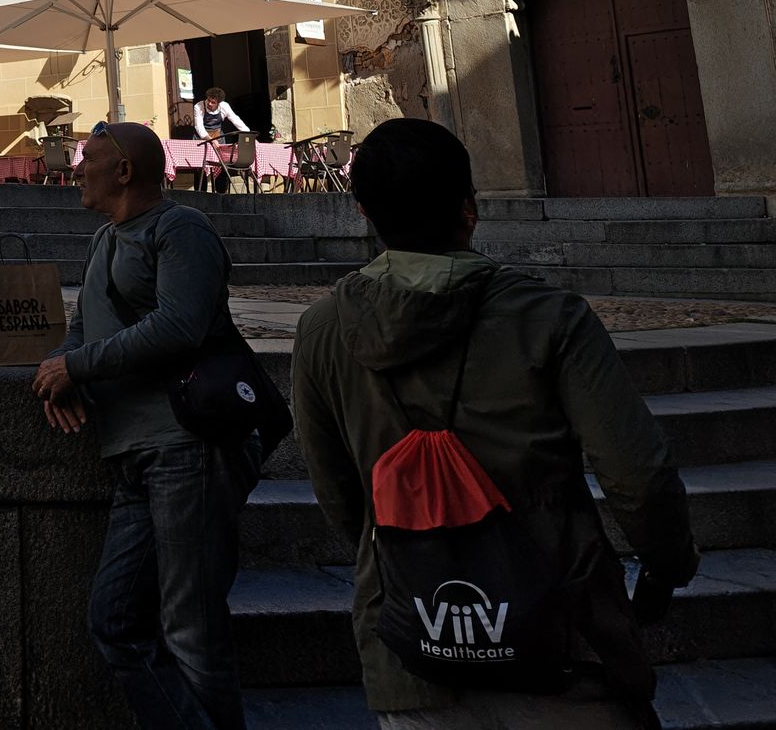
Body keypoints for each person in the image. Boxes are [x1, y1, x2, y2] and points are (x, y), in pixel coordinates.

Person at [291, 119, 700, 730]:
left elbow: (336, 490)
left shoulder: (321, 330)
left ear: (362, 213)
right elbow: (636, 473)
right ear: (470, 209)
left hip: (413, 642)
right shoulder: (549, 318)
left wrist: (418, 552)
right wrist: (667, 565)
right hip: (561, 629)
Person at [30, 122, 260, 730]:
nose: (77, 169)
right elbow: (83, 325)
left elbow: (178, 328)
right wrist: (63, 371)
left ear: (124, 171)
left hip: (188, 446)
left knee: (193, 630)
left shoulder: (180, 228)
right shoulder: (106, 239)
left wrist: (76, 365)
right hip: (132, 454)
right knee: (116, 621)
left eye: (88, 159)